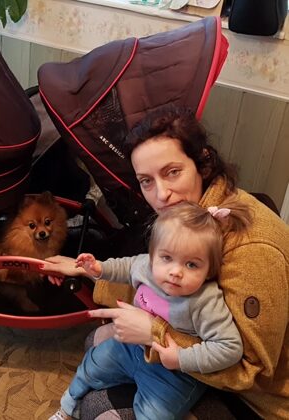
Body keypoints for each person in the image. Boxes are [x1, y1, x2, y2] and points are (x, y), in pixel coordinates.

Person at [41, 105, 289, 419]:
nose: (161, 194)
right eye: (146, 181)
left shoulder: (252, 249)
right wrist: (85, 269)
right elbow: (152, 278)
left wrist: (154, 333)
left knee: (98, 408)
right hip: (195, 348)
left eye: (172, 172)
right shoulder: (190, 214)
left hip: (257, 398)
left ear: (202, 163)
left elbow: (252, 371)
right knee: (98, 341)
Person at [48, 200, 251, 420]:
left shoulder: (206, 301)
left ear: (210, 270)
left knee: (155, 414)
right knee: (92, 363)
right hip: (131, 348)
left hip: (173, 374)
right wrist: (99, 268)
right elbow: (126, 266)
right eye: (167, 258)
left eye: (191, 264)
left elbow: (230, 347)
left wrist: (181, 358)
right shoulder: (146, 266)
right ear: (153, 255)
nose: (175, 272)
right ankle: (66, 409)